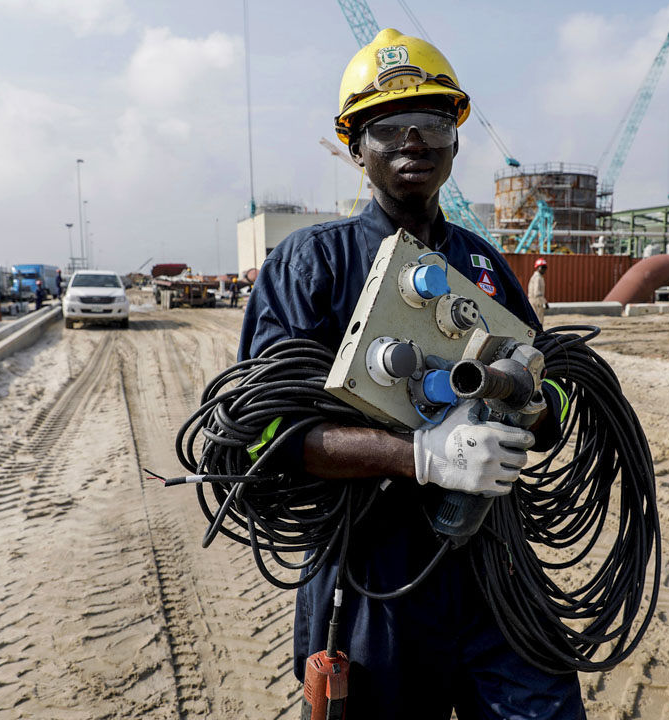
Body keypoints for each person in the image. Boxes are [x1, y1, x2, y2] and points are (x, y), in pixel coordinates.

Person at [238, 28, 582, 719]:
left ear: (455, 136)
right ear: (354, 148)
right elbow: (262, 433)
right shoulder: (313, 265)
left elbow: (556, 395)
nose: (412, 142)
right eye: (388, 128)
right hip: (370, 584)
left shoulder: (485, 269)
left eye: (428, 123)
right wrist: (421, 455)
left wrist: (526, 404)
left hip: (494, 570)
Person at [528, 257, 548, 324]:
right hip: (537, 302)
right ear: (538, 267)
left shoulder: (538, 276)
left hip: (535, 301)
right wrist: (544, 302)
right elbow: (537, 293)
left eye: (545, 267)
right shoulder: (537, 277)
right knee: (538, 319)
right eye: (542, 267)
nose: (544, 269)